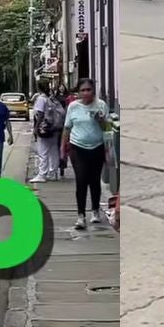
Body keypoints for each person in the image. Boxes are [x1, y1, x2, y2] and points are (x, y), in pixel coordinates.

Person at [60, 79, 110, 230]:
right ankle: (80, 215)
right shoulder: (73, 107)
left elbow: (107, 127)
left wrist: (100, 120)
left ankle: (95, 210)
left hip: (97, 147)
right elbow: (67, 127)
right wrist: (63, 148)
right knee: (81, 179)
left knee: (94, 180)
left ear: (93, 90)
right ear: (78, 92)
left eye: (89, 90)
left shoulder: (101, 105)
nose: (86, 93)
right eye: (83, 90)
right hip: (78, 147)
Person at [30, 78, 65, 183]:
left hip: (45, 128)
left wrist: (36, 128)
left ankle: (42, 174)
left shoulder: (41, 99)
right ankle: (53, 173)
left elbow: (40, 114)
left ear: (38, 87)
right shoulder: (51, 98)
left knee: (43, 151)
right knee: (53, 150)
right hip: (54, 127)